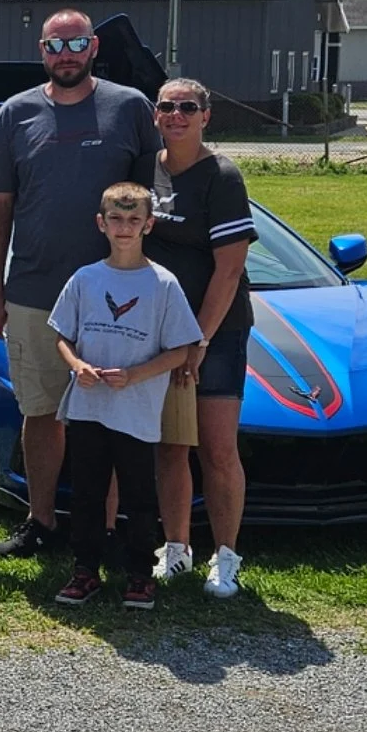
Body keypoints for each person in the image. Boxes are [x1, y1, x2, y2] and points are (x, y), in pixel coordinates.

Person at [0, 9, 162, 560]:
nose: (67, 54)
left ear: (94, 47)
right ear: (42, 51)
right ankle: (41, 522)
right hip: (35, 293)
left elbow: (153, 203)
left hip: (116, 296)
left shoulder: (130, 108)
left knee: (106, 415)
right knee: (41, 414)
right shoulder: (15, 115)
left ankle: (100, 530)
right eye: (56, 45)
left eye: (77, 43)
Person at [48, 182, 203, 610]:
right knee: (86, 494)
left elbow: (180, 351)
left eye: (134, 220)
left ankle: (139, 575)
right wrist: (77, 365)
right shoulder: (86, 278)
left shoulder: (163, 284)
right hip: (88, 407)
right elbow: (63, 335)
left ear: (148, 225)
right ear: (101, 223)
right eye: (115, 218)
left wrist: (135, 374)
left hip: (136, 412)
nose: (124, 228)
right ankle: (84, 571)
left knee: (138, 496)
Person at [142, 78, 255, 598]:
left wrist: (200, 341)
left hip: (216, 333)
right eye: (167, 106)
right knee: (171, 445)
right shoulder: (147, 169)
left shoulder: (222, 177)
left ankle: (226, 556)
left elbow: (229, 271)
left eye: (188, 107)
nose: (177, 114)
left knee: (216, 448)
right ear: (155, 115)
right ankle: (176, 548)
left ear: (206, 116)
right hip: (157, 333)